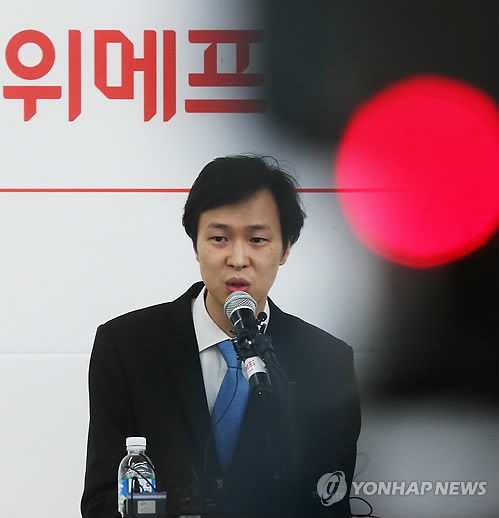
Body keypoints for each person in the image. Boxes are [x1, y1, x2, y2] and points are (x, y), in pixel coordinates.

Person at [81, 155, 361, 518]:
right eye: (219, 238)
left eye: (257, 239)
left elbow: (330, 501)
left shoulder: (325, 361)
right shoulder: (127, 346)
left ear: (286, 248)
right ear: (195, 244)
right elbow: (103, 500)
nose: (238, 258)